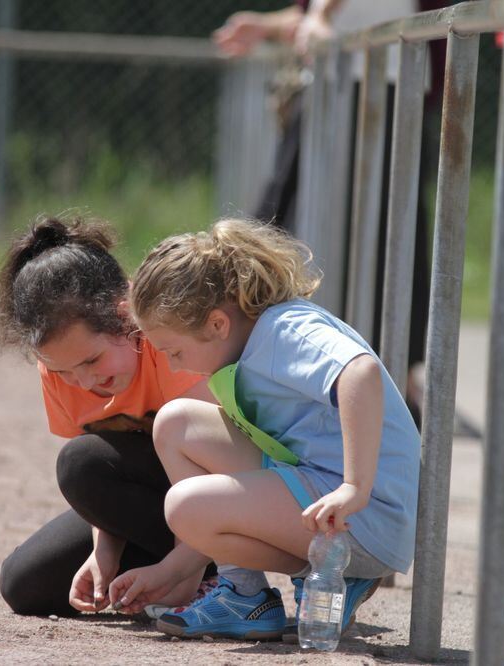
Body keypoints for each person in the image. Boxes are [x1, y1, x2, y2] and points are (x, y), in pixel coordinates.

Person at [107, 219, 420, 641]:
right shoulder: (249, 340)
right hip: (319, 482)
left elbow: (360, 372)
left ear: (218, 324)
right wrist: (170, 571)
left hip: (362, 517)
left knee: (184, 505)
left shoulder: (282, 330)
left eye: (175, 351)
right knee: (175, 423)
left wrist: (354, 487)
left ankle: (339, 575)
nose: (174, 365)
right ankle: (244, 594)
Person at [214, 0, 450, 425]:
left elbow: (329, 17)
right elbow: (326, 18)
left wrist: (321, 17)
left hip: (375, 84)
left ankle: (373, 384)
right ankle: (282, 370)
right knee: (292, 228)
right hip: (349, 81)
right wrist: (271, 25)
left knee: (359, 241)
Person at [0, 216, 215, 617]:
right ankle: (174, 570)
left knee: (79, 461)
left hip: (224, 499)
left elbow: (218, 469)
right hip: (158, 511)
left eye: (92, 360)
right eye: (63, 371)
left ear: (125, 316)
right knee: (24, 584)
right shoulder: (64, 368)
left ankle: (216, 575)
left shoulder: (170, 337)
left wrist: (181, 571)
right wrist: (103, 554)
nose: (83, 380)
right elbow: (102, 486)